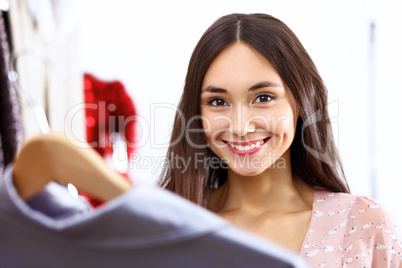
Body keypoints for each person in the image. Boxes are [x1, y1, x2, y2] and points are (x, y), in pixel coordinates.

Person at [159, 13, 401, 267]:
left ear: (300, 102)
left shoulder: (365, 225)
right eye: (218, 102)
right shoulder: (163, 227)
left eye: (263, 98)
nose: (241, 126)